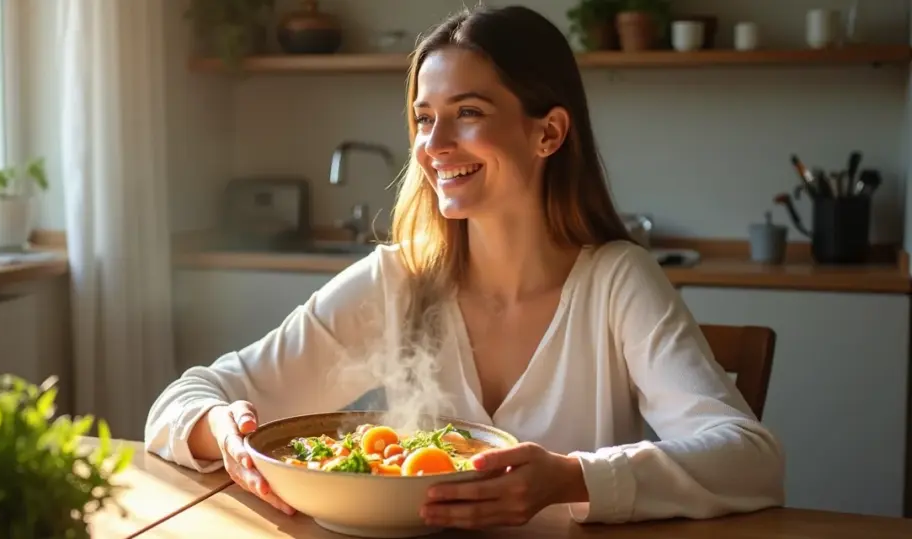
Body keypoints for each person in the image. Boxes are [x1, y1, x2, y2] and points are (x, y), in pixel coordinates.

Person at [145, 5, 785, 529]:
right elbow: (185, 399)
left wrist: (572, 477)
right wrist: (221, 430)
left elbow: (753, 461)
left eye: (468, 113)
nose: (433, 145)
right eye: (424, 118)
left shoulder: (617, 283)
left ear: (548, 133)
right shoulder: (397, 282)